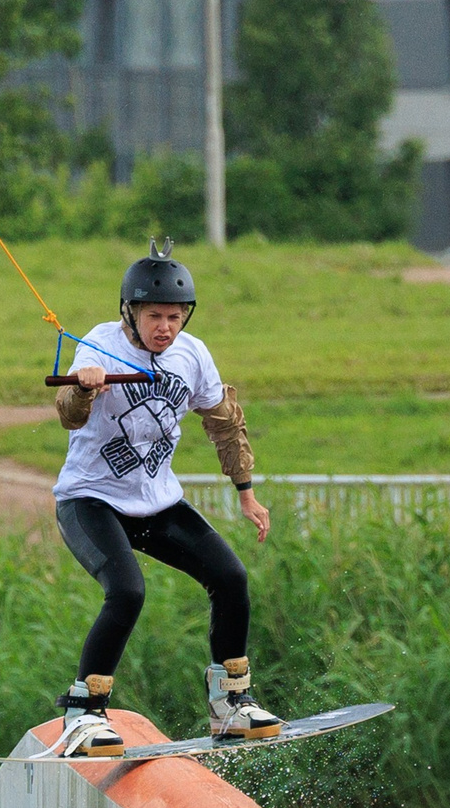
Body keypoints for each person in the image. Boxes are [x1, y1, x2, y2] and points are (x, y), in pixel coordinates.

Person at [46, 245, 281, 758]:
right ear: (130, 311)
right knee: (127, 591)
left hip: (156, 503)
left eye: (175, 317)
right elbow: (68, 414)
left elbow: (224, 422)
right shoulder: (99, 344)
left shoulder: (192, 354)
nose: (165, 328)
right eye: (155, 316)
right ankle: (84, 713)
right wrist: (84, 390)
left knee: (231, 578)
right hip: (91, 500)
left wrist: (246, 492)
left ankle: (231, 703)